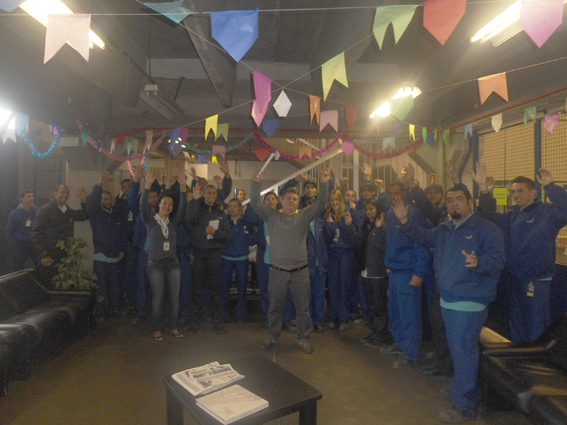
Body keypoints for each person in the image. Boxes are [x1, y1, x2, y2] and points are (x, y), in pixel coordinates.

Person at [391, 186, 505, 423]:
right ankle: (463, 389)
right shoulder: (445, 228)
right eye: (451, 200)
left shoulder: (486, 228)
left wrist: (479, 262)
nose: (454, 203)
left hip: (470, 300)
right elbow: (422, 237)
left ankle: (465, 406)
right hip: (448, 299)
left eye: (459, 199)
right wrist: (404, 221)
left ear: (470, 202)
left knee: (464, 352)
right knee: (458, 351)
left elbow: (497, 261)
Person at [474, 163, 567, 342]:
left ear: (533, 192)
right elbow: (488, 216)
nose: (516, 195)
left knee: (536, 326)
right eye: (514, 192)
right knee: (518, 323)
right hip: (516, 279)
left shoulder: (547, 213)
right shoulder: (512, 216)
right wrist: (485, 192)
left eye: (520, 191)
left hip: (537, 281)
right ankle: (519, 356)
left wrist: (550, 186)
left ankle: (537, 358)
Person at [251, 168, 330, 354]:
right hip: (277, 272)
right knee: (274, 308)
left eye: (295, 199)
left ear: (298, 202)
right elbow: (255, 203)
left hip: (300, 272)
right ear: (281, 200)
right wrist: (256, 184)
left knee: (303, 308)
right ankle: (272, 336)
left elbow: (320, 204)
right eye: (288, 198)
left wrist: (324, 183)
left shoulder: (303, 216)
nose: (292, 201)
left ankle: (304, 338)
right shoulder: (272, 216)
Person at [381, 182, 432, 370]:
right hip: (395, 271)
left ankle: (411, 353)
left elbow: (421, 243)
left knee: (410, 314)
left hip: (408, 272)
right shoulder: (390, 214)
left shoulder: (413, 213)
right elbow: (391, 242)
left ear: (405, 193)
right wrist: (389, 265)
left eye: (397, 192)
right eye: (390, 193)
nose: (394, 196)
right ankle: (400, 343)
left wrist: (419, 272)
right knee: (395, 312)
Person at [140, 167, 187, 341]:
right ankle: (157, 328)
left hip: (173, 264)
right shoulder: (150, 221)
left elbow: (183, 207)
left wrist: (183, 187)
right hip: (155, 265)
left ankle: (173, 326)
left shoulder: (174, 223)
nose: (167, 207)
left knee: (174, 298)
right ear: (159, 204)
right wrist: (148, 184)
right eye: (164, 203)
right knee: (158, 298)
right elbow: (142, 205)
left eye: (170, 205)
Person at [345, 200, 393, 348]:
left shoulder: (384, 227)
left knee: (379, 306)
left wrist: (378, 229)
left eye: (372, 209)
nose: (369, 212)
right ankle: (375, 333)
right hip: (366, 271)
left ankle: (382, 336)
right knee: (371, 304)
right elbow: (357, 242)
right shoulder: (364, 225)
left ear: (378, 210)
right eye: (367, 210)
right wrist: (349, 226)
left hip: (378, 272)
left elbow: (382, 246)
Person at [185, 184, 231, 335]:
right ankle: (195, 323)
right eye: (208, 192)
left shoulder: (221, 213)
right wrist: (194, 200)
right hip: (198, 254)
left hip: (214, 255)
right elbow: (188, 218)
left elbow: (227, 235)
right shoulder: (197, 209)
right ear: (204, 194)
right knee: (197, 290)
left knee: (216, 290)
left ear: (216, 195)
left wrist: (215, 232)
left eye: (214, 193)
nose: (211, 195)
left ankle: (218, 323)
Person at [86, 171, 129, 323]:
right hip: (100, 256)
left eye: (110, 199)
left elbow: (122, 234)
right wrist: (99, 185)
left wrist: (123, 249)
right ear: (101, 200)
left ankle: (113, 310)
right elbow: (90, 202)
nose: (108, 201)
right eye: (105, 199)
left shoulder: (117, 216)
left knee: (114, 286)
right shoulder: (95, 214)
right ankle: (100, 312)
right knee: (101, 286)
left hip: (115, 256)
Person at [31, 184, 89, 287]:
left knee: (61, 285)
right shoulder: (45, 210)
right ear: (55, 193)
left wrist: (84, 201)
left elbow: (83, 216)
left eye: (67, 193)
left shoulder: (66, 210)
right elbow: (36, 233)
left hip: (64, 255)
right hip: (50, 256)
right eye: (62, 192)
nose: (65, 195)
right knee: (49, 285)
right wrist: (44, 255)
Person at [128, 166, 161, 325]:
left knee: (158, 284)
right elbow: (132, 200)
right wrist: (136, 180)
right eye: (150, 197)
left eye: (155, 197)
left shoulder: (164, 212)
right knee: (141, 283)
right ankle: (141, 312)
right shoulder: (140, 211)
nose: (152, 199)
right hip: (143, 252)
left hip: (159, 254)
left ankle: (158, 313)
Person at [323, 189, 357, 331]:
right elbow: (327, 238)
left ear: (341, 200)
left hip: (345, 254)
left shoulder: (348, 213)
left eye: (337, 199)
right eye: (332, 200)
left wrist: (349, 224)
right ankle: (334, 316)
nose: (334, 202)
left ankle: (344, 317)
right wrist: (330, 225)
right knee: (333, 286)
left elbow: (355, 236)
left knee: (344, 286)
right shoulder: (327, 215)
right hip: (332, 254)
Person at [221, 199, 256, 325]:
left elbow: (252, 241)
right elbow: (218, 239)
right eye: (230, 206)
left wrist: (251, 232)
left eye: (235, 206)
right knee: (224, 288)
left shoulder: (245, 223)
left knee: (242, 288)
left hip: (242, 259)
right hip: (226, 258)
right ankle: (223, 313)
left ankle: (240, 314)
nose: (232, 208)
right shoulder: (223, 223)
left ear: (240, 208)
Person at [6, 190, 39, 271]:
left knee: (38, 263)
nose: (31, 198)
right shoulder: (14, 213)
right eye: (28, 197)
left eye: (32, 196)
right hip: (20, 243)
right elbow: (10, 229)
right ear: (22, 199)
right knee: (18, 264)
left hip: (34, 242)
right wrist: (16, 238)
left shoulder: (38, 211)